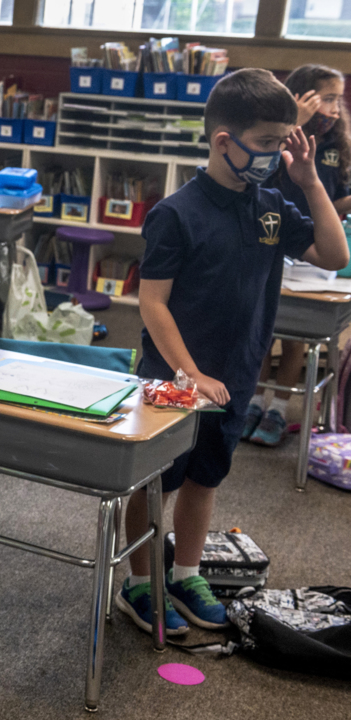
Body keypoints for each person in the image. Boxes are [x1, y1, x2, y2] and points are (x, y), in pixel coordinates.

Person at [120, 69, 349, 635]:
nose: (277, 155)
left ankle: (187, 572)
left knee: (206, 477)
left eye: (282, 143)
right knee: (157, 482)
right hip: (173, 378)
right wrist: (189, 371)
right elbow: (152, 304)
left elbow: (332, 252)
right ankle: (139, 583)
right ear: (225, 141)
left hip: (236, 372)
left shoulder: (270, 204)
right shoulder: (176, 212)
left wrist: (310, 181)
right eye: (269, 144)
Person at [247, 64, 351, 447]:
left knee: (295, 342)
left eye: (338, 100)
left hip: (312, 251)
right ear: (301, 99)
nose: (334, 109)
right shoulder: (276, 139)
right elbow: (261, 176)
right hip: (273, 240)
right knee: (264, 331)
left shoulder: (336, 148)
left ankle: (278, 409)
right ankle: (255, 402)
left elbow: (335, 198)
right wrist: (293, 123)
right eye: (326, 99)